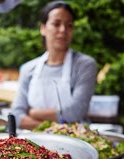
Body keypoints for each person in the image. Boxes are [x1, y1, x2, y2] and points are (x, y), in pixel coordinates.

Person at [10, 1, 98, 130]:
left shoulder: (84, 65)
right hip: (33, 143)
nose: (63, 30)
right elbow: (16, 115)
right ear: (43, 28)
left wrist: (34, 113)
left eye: (69, 25)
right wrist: (53, 129)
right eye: (56, 24)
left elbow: (76, 111)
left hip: (75, 142)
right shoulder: (28, 69)